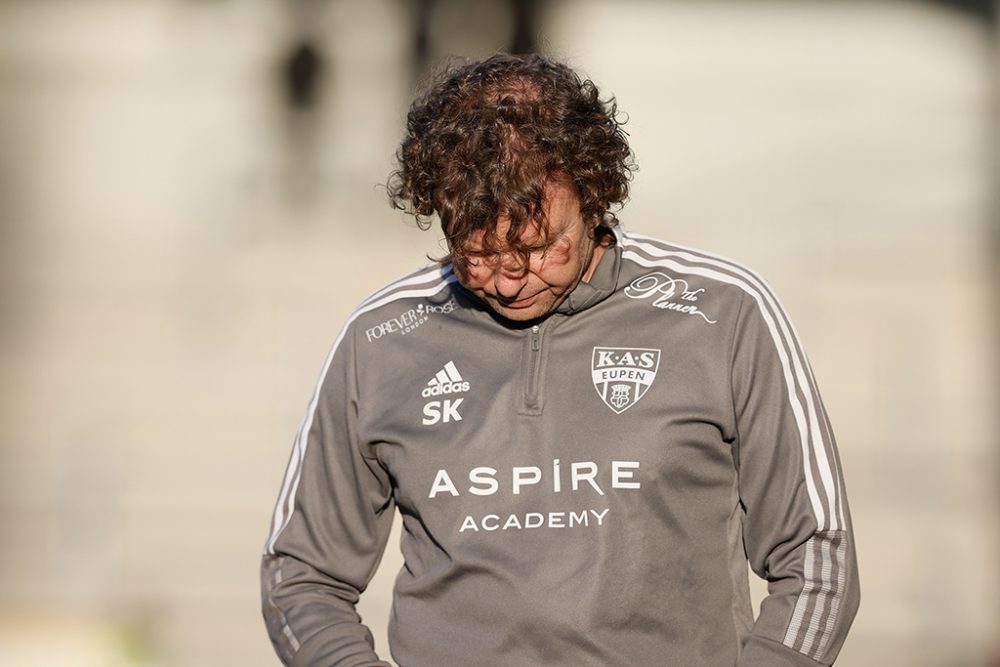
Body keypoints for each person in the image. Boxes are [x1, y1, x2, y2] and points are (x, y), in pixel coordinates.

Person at [261, 53, 859, 667]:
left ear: (595, 193)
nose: (512, 280)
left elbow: (817, 556)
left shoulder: (723, 315)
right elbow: (300, 576)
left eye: (542, 246)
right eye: (478, 255)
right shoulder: (381, 338)